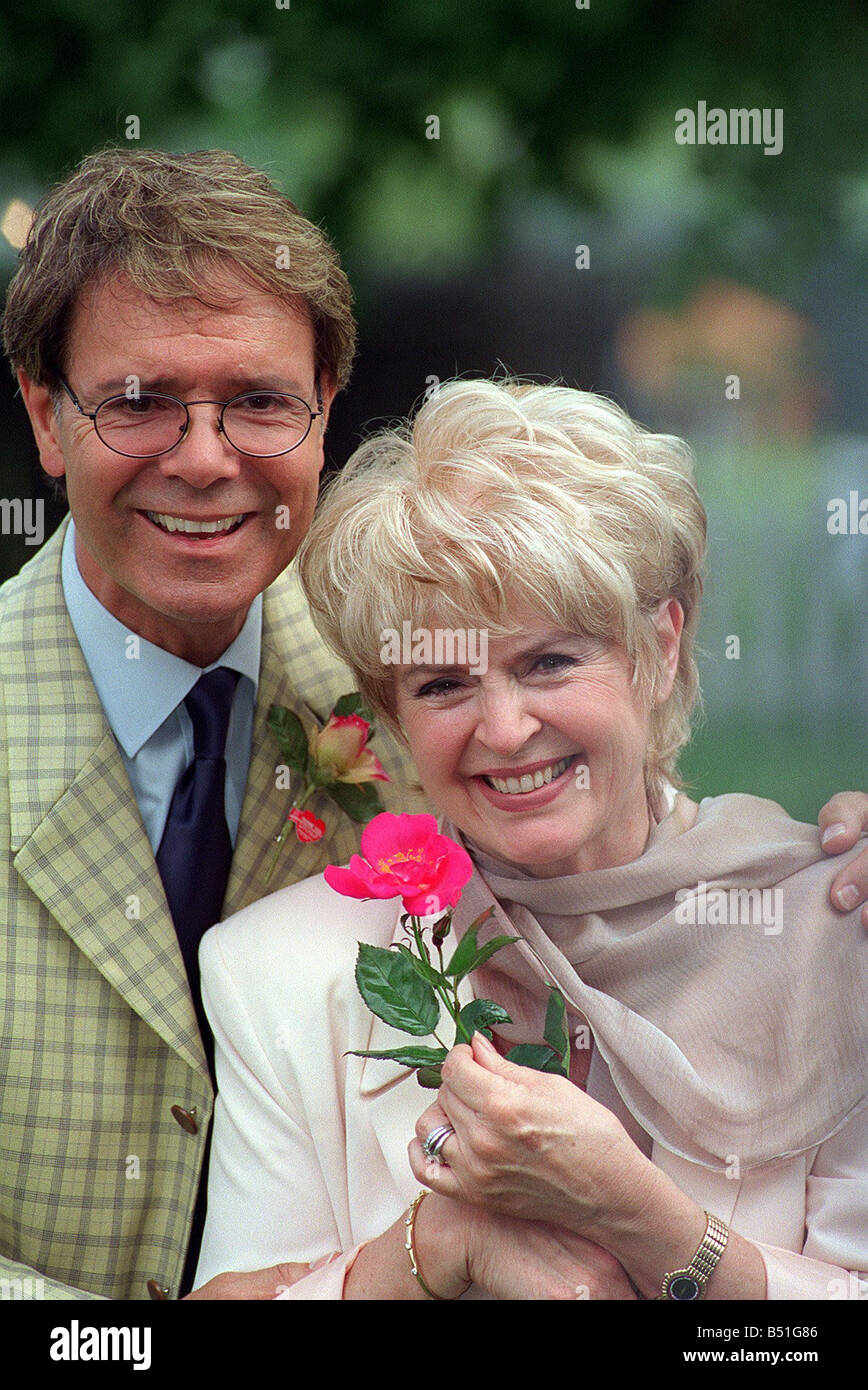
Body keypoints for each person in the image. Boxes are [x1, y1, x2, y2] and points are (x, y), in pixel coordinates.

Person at [195, 379, 867, 1300]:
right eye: (441, 685)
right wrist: (436, 1246)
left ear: (661, 649)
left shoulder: (838, 929)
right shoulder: (275, 970)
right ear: (392, 714)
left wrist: (643, 1215)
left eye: (549, 661)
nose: (504, 729)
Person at [0, 147, 426, 1302]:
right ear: (47, 417)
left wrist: (807, 873)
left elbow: (611, 870)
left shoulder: (416, 693)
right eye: (139, 402)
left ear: (325, 411)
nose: (204, 459)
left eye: (257, 401)